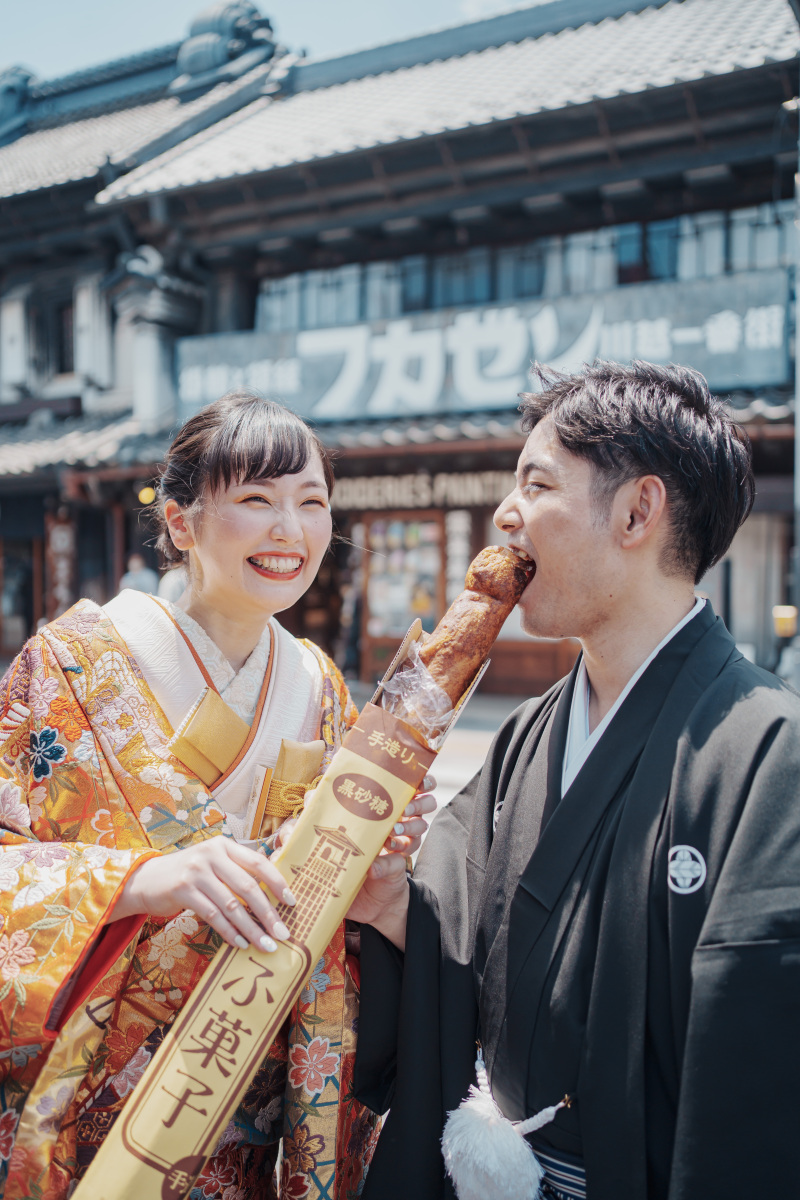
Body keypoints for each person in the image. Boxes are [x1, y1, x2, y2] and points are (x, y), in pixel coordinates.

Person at [351, 361, 800, 1200]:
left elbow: (757, 1076)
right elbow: (464, 930)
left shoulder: (770, 751)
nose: (505, 513)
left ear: (637, 512)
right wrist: (387, 903)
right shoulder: (527, 733)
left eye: (537, 483)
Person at [0, 392, 429, 1200]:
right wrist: (139, 881)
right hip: (97, 1106)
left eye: (311, 502)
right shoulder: (69, 665)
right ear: (182, 521)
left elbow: (334, 913)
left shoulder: (321, 687)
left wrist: (372, 862)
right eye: (257, 499)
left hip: (247, 1099)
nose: (290, 530)